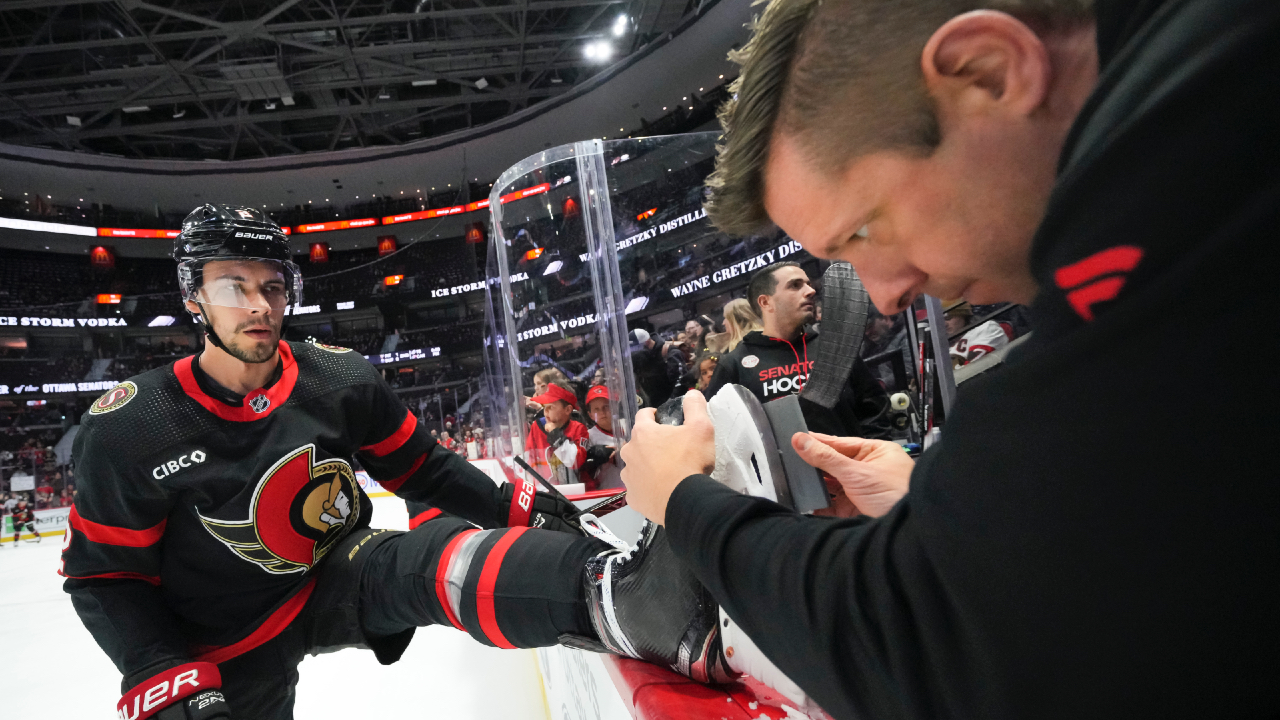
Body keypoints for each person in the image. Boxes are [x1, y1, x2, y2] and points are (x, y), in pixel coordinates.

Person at [620, 0, 1280, 718]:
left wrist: (686, 503)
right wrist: (939, 508)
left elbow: (936, 645)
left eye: (867, 230)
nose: (884, 295)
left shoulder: (1192, 187)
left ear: (989, 73)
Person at [61, 205, 731, 720]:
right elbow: (105, 577)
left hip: (327, 573)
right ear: (193, 297)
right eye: (234, 287)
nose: (261, 307)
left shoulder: (337, 378)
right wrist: (157, 669)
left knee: (427, 565)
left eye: (272, 286)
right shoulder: (130, 427)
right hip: (220, 641)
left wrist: (513, 507)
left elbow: (423, 470)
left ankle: (628, 601)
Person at [705, 262, 891, 438]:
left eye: (809, 284)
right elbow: (716, 431)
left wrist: (869, 460)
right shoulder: (734, 364)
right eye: (795, 285)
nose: (811, 291)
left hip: (849, 469)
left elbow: (875, 410)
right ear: (765, 302)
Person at [524, 381, 591, 487]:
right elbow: (529, 459)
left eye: (551, 407)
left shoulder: (578, 429)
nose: (546, 411)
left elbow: (574, 462)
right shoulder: (536, 426)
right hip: (544, 490)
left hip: (574, 491)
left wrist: (556, 436)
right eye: (544, 406)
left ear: (568, 409)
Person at [944, 301, 1009, 366]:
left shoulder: (987, 328)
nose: (944, 324)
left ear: (962, 313)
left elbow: (973, 368)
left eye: (947, 317)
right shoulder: (942, 349)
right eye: (939, 321)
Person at [582, 385, 622, 490]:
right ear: (590, 415)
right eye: (596, 409)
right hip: (608, 494)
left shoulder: (630, 427)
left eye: (606, 406)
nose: (602, 412)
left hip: (636, 491)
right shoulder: (588, 436)